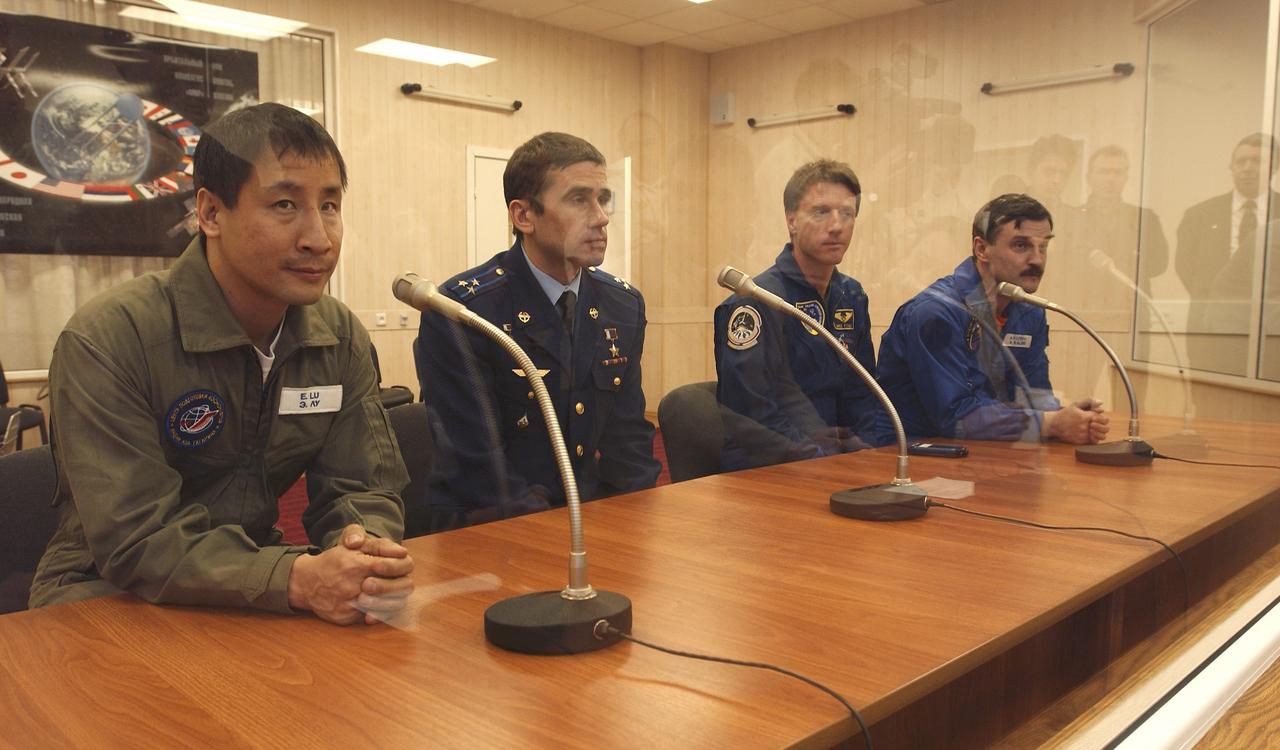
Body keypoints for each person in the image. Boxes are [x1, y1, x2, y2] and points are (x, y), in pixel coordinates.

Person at [29, 103, 414, 626]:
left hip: (254, 582)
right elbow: (136, 538)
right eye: (284, 204)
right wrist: (295, 579)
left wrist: (363, 550)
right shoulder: (111, 337)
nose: (319, 238)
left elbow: (362, 486)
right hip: (105, 594)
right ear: (210, 213)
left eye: (330, 205)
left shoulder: (338, 336)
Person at [415, 132, 660, 532]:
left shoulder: (622, 305)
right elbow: (479, 465)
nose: (601, 217)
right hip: (492, 527)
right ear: (524, 216)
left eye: (603, 199)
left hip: (592, 520)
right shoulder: (465, 312)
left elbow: (627, 440)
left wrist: (637, 524)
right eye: (579, 199)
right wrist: (562, 535)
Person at [875, 193, 1111, 444]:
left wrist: (1067, 417)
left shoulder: (1028, 311)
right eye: (1021, 245)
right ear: (981, 248)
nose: (1037, 260)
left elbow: (1033, 393)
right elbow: (956, 417)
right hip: (911, 455)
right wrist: (1050, 424)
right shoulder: (936, 313)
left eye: (1043, 246)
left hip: (988, 451)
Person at [714, 159, 878, 471]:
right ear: (792, 221)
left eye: (847, 213)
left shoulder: (851, 295)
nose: (837, 225)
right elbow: (755, 415)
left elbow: (863, 394)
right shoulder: (757, 301)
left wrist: (868, 454)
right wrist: (823, 461)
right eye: (821, 212)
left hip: (837, 462)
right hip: (770, 468)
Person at [1175, 133, 1280, 374]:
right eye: (1241, 161)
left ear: (1274, 167)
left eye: (1257, 161)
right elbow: (1186, 268)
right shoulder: (1199, 215)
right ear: (1231, 167)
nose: (1247, 168)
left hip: (1272, 334)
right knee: (1208, 400)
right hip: (1211, 329)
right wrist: (1220, 302)